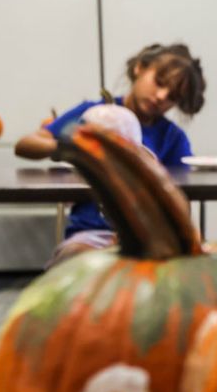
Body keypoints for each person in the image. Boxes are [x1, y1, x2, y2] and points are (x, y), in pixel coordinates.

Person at [15, 43, 206, 265]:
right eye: (159, 83)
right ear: (140, 68)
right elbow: (26, 144)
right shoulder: (91, 115)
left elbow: (182, 203)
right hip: (91, 235)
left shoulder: (173, 139)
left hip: (150, 241)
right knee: (71, 261)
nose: (162, 96)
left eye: (172, 96)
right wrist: (73, 148)